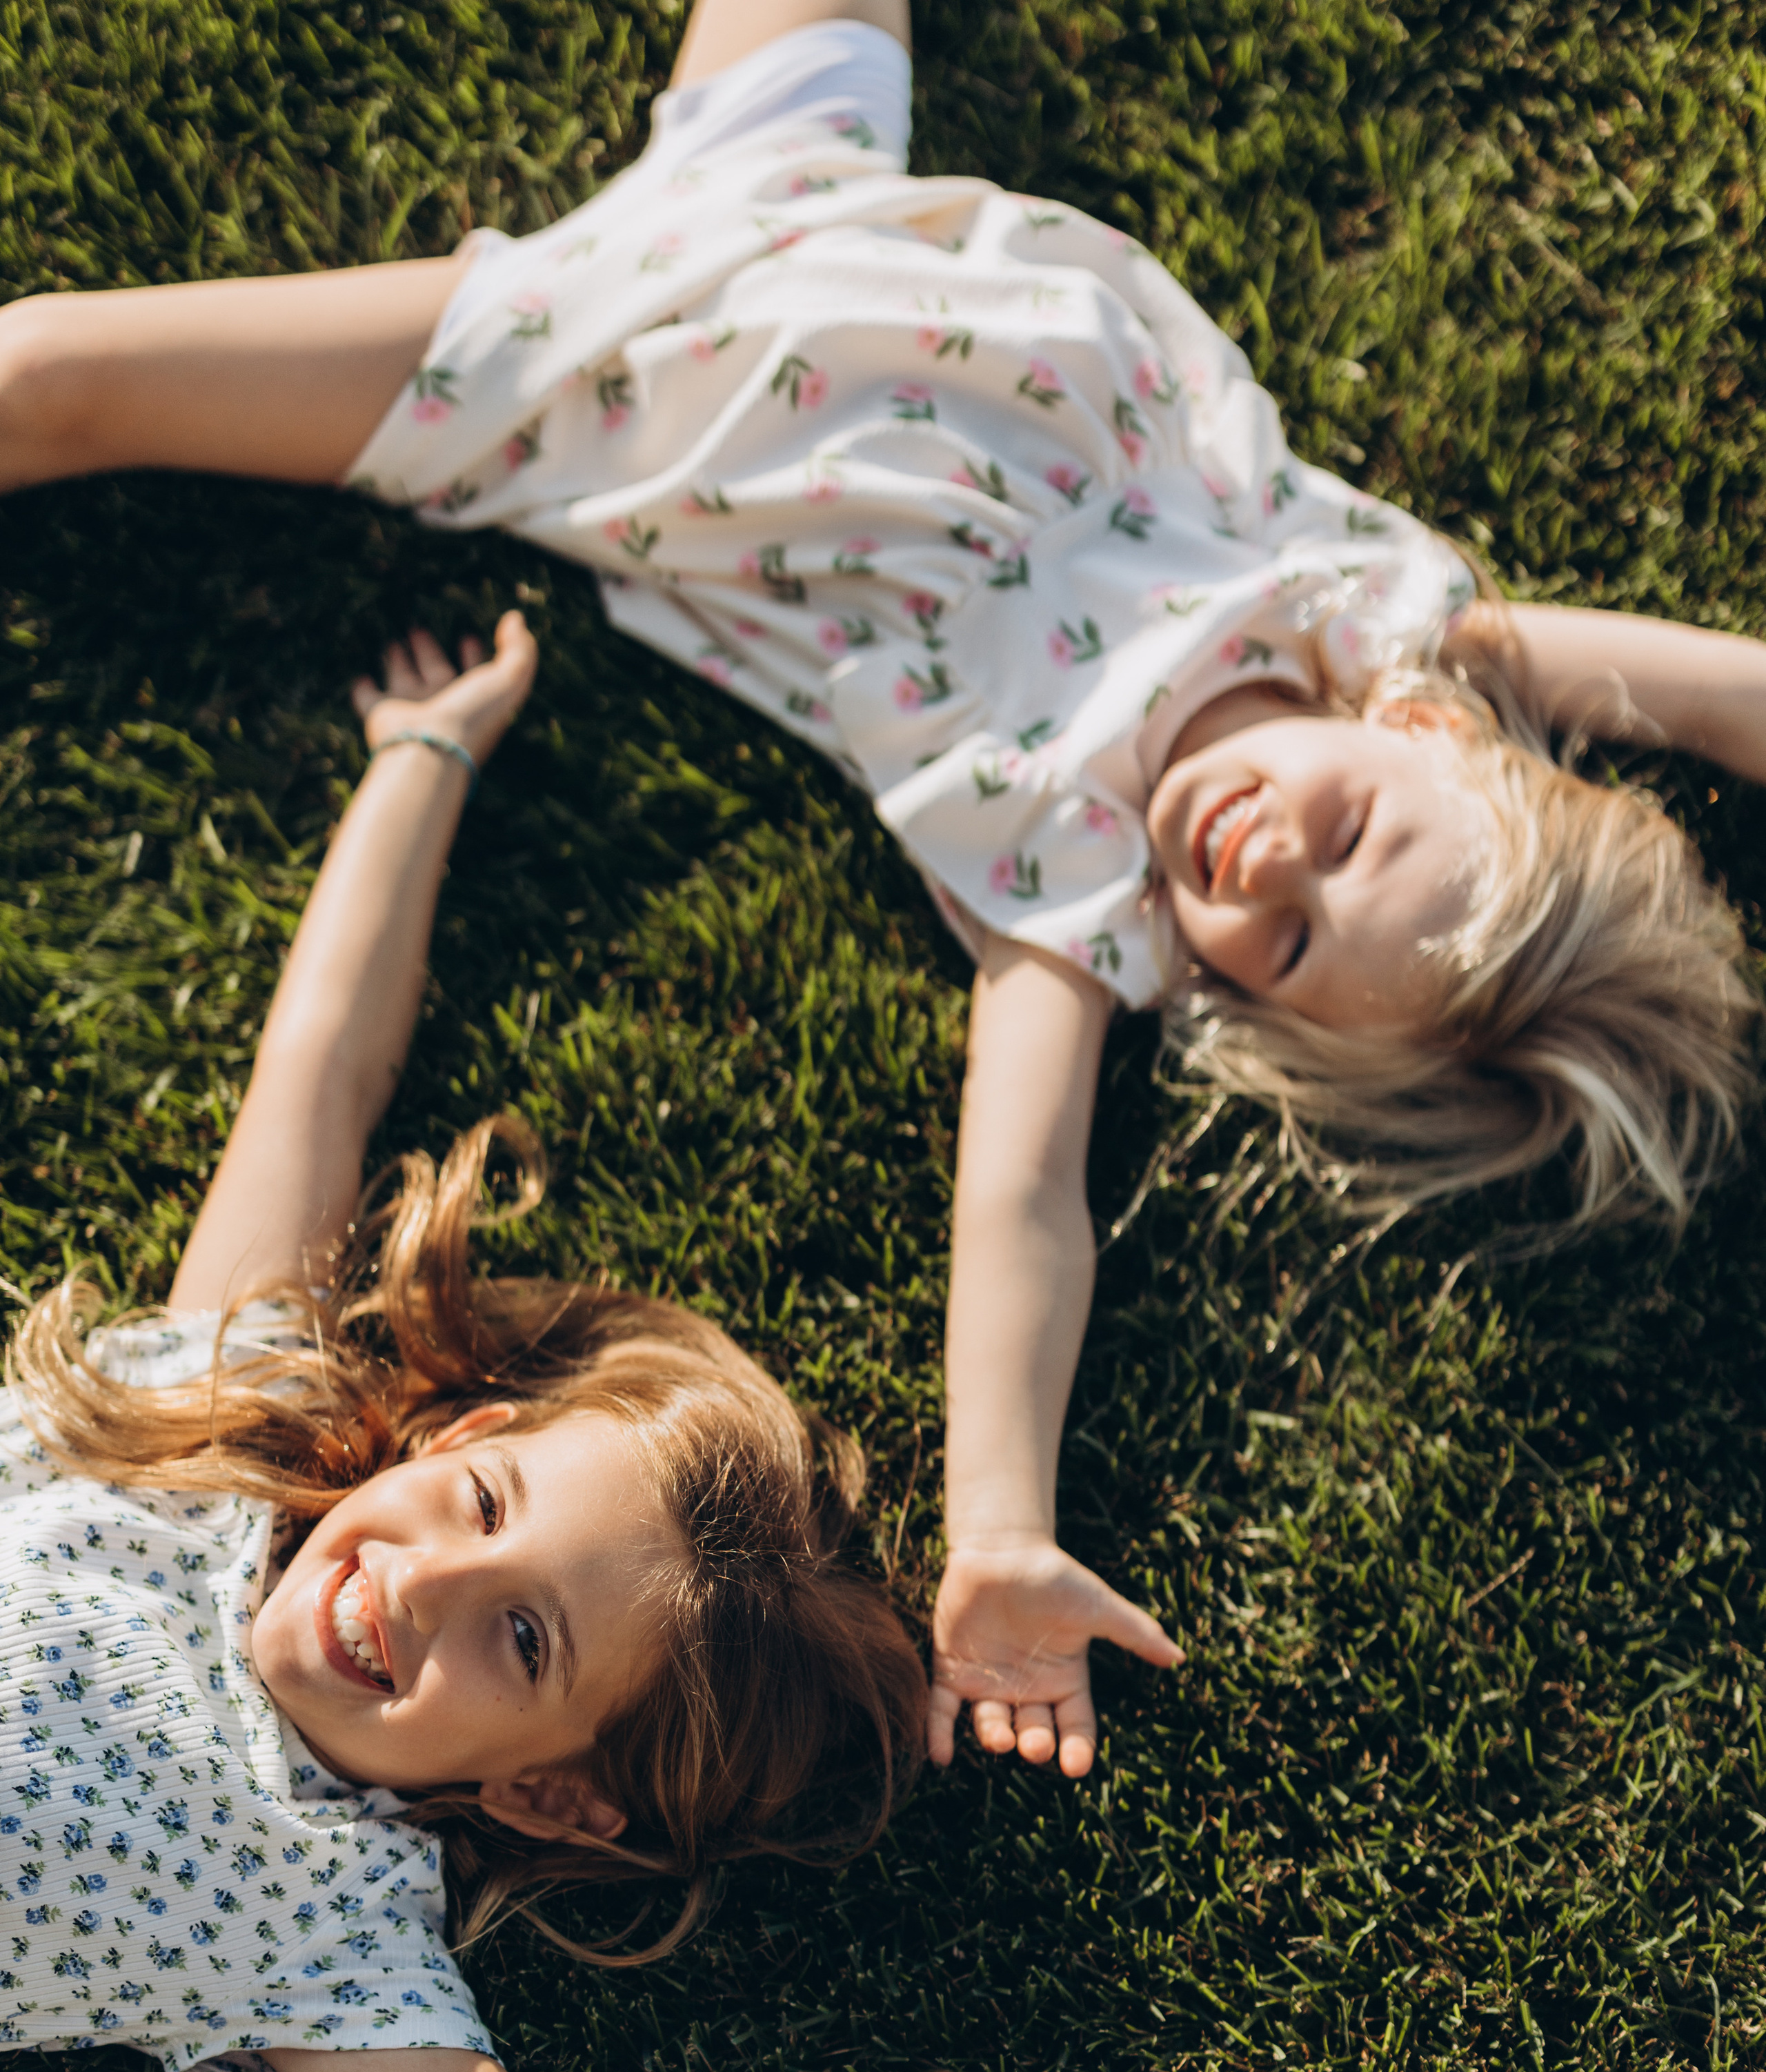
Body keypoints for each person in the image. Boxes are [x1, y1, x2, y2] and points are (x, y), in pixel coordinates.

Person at [1, 0, 1759, 1787]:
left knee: (49, 377)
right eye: (1358, 832)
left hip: (596, 381)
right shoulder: (1372, 610)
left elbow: (1023, 1207)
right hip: (808, 191)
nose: (1265, 864)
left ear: (1251, 1009)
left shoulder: (1073, 901)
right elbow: (1706, 692)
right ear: (1425, 733)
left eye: (1290, 948)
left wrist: (997, 1522)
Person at [0, 612, 1140, 2072]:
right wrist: (420, 760)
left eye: (520, 1644)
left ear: (552, 1795)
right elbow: (325, 1065)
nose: (418, 1578)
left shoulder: (320, 1933)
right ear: (469, 1426)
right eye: (482, 1504)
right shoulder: (226, 1404)